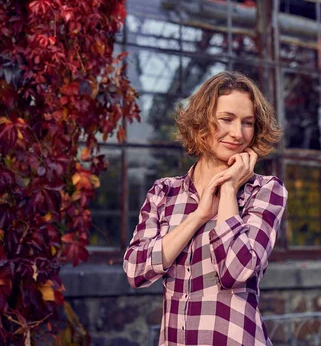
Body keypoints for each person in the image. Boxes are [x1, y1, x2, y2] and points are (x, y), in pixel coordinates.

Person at [123, 71, 287, 345]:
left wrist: (229, 190)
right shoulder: (164, 192)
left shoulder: (266, 191)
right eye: (226, 119)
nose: (237, 133)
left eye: (247, 123)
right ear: (201, 122)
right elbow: (136, 271)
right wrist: (198, 216)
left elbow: (235, 271)